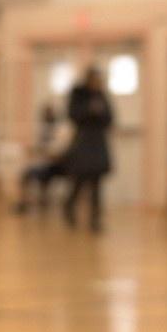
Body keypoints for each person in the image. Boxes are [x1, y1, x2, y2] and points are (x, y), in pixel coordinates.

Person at [62, 67, 113, 233]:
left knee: (97, 183)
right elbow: (72, 114)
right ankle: (69, 206)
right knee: (79, 180)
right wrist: (88, 110)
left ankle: (95, 219)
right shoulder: (79, 95)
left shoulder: (102, 96)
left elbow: (111, 118)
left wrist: (100, 113)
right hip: (83, 142)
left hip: (98, 142)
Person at [15, 104, 69, 214]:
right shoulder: (43, 131)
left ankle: (44, 200)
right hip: (44, 164)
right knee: (26, 174)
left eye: (49, 114)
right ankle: (24, 202)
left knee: (42, 174)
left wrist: (44, 152)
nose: (47, 117)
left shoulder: (61, 131)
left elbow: (59, 152)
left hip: (59, 166)